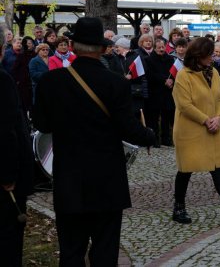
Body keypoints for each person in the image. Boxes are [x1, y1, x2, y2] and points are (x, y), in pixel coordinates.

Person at [32, 17, 156, 266]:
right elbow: (129, 129)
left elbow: (42, 126)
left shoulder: (50, 82)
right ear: (102, 48)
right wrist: (150, 136)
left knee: (71, 252)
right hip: (107, 179)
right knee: (105, 252)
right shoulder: (116, 82)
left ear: (73, 47)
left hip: (69, 177)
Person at [171, 37, 220, 224]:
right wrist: (206, 120)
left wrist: (219, 117)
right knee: (186, 170)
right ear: (198, 56)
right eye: (209, 55)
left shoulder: (212, 72)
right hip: (190, 131)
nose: (212, 58)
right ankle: (178, 207)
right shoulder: (184, 75)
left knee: (218, 169)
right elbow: (184, 105)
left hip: (212, 129)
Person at [0, 25, 34, 267]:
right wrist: (8, 175)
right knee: (7, 240)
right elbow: (6, 131)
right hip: (3, 180)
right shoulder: (2, 81)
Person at [146, 39, 176, 147]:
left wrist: (171, 80)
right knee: (154, 118)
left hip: (167, 93)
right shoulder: (149, 60)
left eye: (163, 47)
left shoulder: (170, 59)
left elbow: (173, 72)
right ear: (154, 48)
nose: (161, 49)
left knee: (166, 117)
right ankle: (155, 140)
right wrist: (164, 80)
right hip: (154, 92)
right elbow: (150, 75)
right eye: (159, 48)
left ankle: (166, 139)